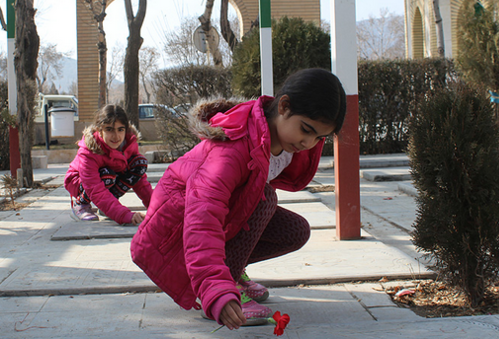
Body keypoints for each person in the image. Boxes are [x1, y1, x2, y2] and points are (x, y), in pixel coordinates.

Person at [131, 68, 346, 330]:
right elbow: (203, 216)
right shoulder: (234, 145)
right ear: (284, 106)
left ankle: (233, 269)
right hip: (174, 228)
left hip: (215, 216)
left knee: (295, 231)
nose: (309, 143)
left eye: (319, 138)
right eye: (306, 130)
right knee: (264, 198)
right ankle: (226, 283)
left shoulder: (283, 143)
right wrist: (215, 289)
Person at [64, 104, 153, 225]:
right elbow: (95, 189)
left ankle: (106, 208)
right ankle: (81, 205)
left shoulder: (128, 145)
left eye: (120, 129)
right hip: (79, 181)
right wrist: (123, 215)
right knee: (106, 176)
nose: (116, 136)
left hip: (109, 178)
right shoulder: (89, 150)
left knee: (139, 163)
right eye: (109, 129)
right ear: (99, 130)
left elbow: (141, 183)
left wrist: (157, 207)